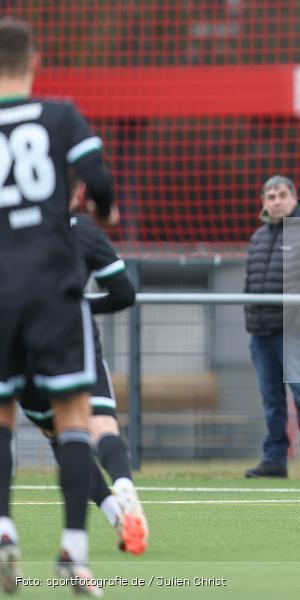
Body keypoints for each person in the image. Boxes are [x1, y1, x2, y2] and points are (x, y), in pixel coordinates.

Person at [0, 17, 117, 595]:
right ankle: (73, 551)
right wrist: (106, 211)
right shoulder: (59, 114)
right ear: (35, 60)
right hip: (52, 285)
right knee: (72, 419)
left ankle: (2, 530)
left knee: (1, 416)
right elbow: (97, 177)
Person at [19, 176, 146, 556]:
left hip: (21, 339)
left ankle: (113, 515)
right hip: (75, 338)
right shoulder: (86, 230)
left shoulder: (17, 224)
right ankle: (124, 486)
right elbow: (124, 293)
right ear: (78, 193)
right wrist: (82, 304)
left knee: (61, 436)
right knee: (100, 426)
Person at [244, 175, 300, 480]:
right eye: (271, 197)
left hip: (296, 332)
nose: (277, 201)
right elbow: (251, 283)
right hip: (262, 331)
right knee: (271, 399)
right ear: (263, 202)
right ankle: (274, 459)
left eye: (282, 195)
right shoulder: (258, 237)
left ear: (294, 197)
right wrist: (252, 321)